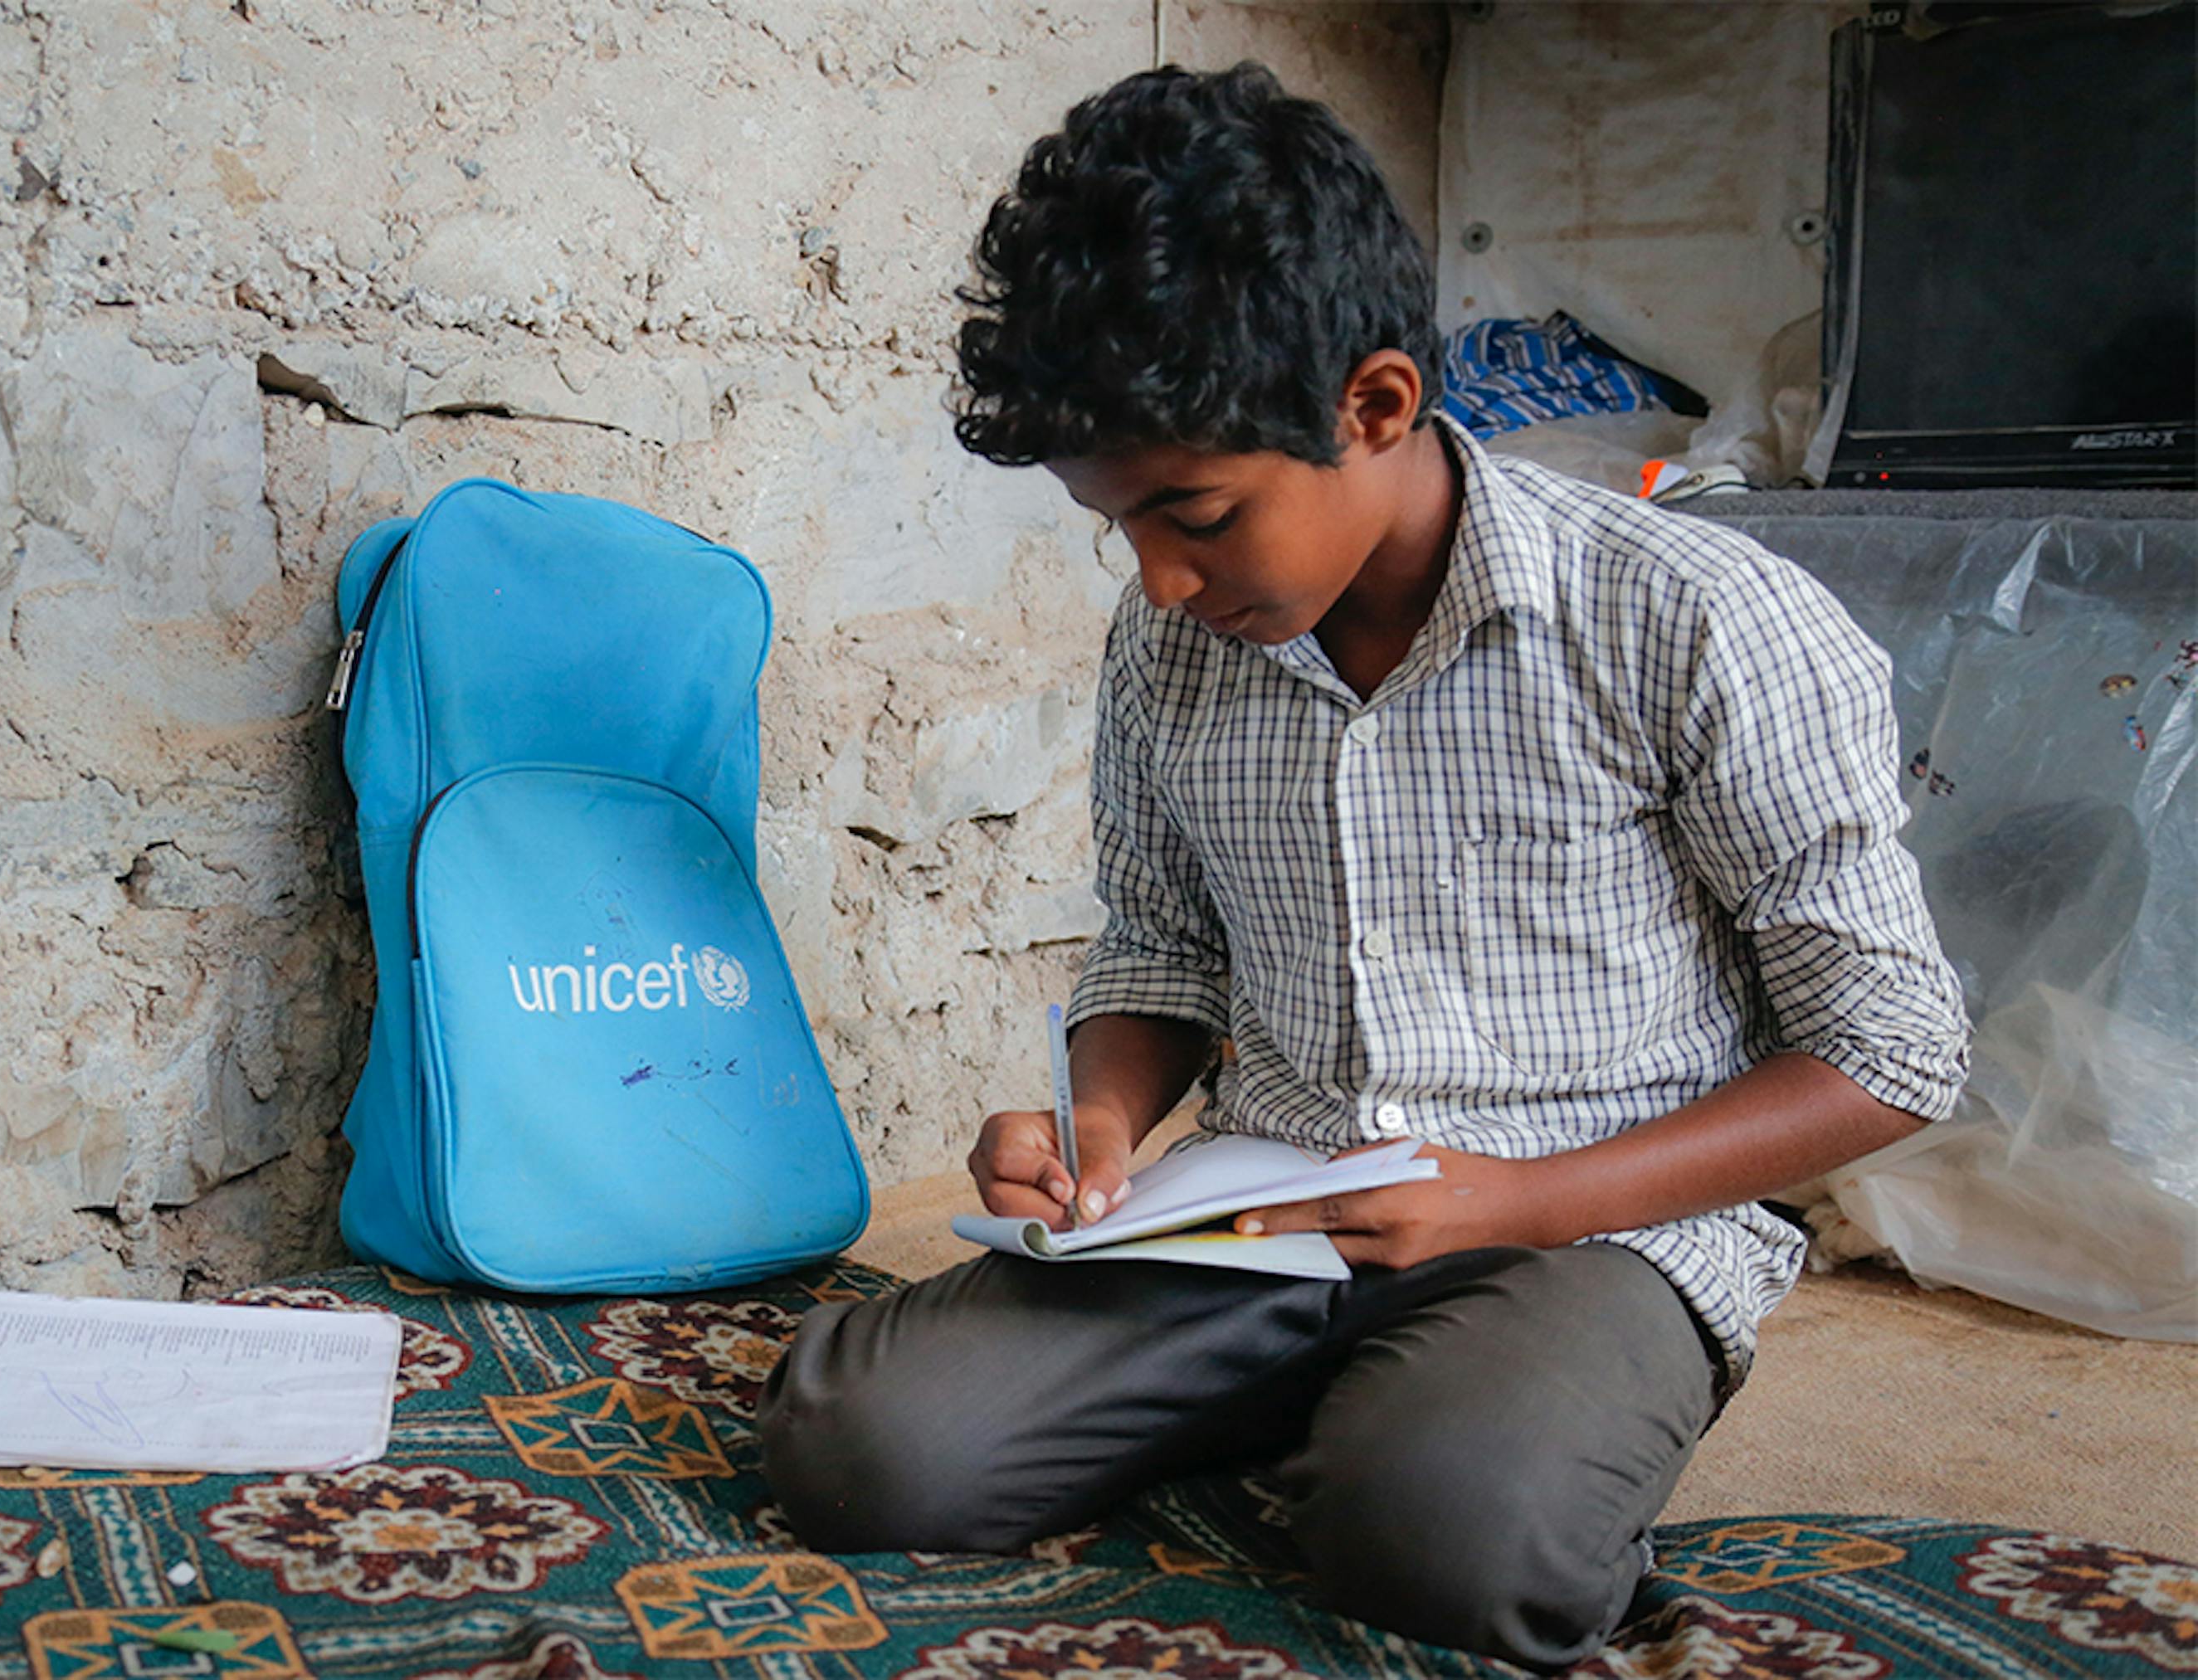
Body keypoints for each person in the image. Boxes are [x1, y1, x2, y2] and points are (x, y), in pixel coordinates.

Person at [756, 63, 1971, 1668]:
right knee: (861, 1447)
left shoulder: (1696, 622)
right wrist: (1102, 1122)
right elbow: (1164, 951)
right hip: (1266, 1211)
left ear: (1377, 406)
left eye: (1195, 513)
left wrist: (1524, 1201)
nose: (1161, 579)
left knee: (1451, 1539)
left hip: (1587, 1225)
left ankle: (1429, 1420)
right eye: (1116, 527)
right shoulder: (1174, 648)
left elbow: (1892, 1048)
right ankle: (1345, 1396)